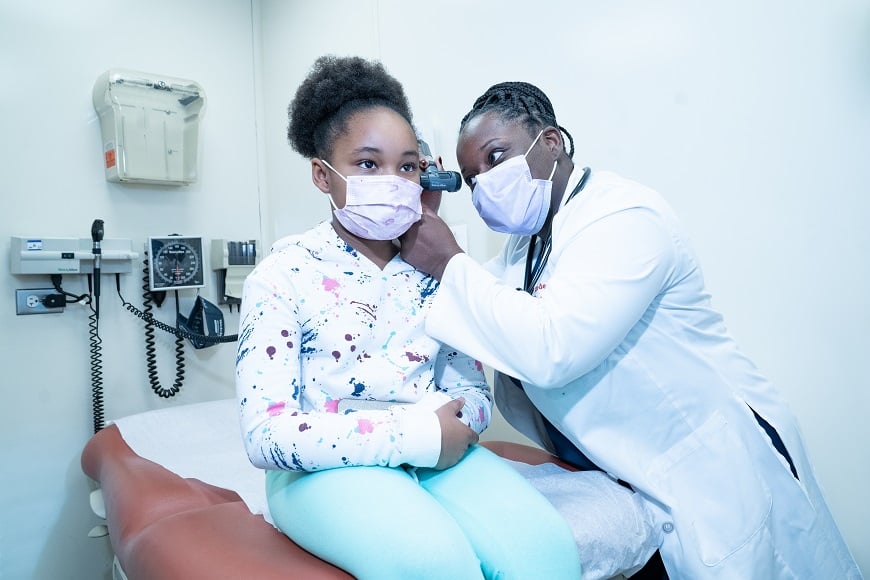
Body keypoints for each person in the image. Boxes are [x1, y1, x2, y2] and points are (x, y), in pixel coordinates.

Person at [399, 81, 862, 578]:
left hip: (713, 464)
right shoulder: (526, 248)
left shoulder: (624, 216)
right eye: (471, 178)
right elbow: (479, 311)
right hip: (638, 473)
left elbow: (549, 350)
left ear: (550, 143)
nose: (485, 184)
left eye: (496, 157)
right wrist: (423, 219)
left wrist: (449, 260)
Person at [235, 58, 582, 580]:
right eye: (369, 164)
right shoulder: (283, 273)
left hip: (440, 454)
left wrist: (454, 427)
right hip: (320, 468)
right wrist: (415, 434)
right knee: (433, 564)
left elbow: (476, 394)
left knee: (548, 552)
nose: (393, 180)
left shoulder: (434, 275)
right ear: (321, 174)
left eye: (408, 166)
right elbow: (266, 434)